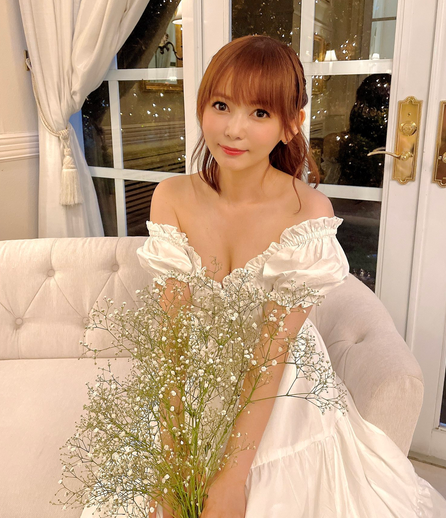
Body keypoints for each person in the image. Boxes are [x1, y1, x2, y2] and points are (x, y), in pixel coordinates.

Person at [83, 35, 446, 518]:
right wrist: (174, 463)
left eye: (259, 112)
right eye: (221, 105)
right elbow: (172, 341)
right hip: (198, 379)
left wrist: (231, 478)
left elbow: (272, 354)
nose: (233, 129)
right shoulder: (171, 196)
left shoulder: (308, 210)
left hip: (281, 388)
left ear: (290, 124)